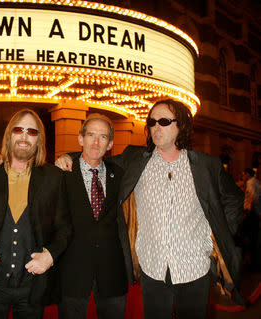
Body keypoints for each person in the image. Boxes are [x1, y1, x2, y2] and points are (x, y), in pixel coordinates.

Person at [56, 99, 244, 319]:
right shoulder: (135, 160)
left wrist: (217, 236)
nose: (156, 127)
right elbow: (95, 158)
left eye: (163, 121)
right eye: (152, 122)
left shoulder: (205, 165)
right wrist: (69, 156)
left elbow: (234, 199)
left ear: (181, 125)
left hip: (195, 269)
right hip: (152, 270)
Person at [0, 109, 72, 319]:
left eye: (32, 132)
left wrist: (50, 256)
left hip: (33, 287)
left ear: (39, 140)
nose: (24, 137)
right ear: (10, 135)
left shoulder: (53, 177)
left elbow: (64, 227)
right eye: (19, 129)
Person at [57, 114, 132, 319]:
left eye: (103, 137)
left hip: (112, 271)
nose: (96, 142)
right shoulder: (61, 173)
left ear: (111, 144)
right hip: (72, 270)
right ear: (80, 138)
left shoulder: (121, 174)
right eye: (91, 135)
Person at [241, 168, 260, 270]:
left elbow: (252, 198)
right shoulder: (255, 182)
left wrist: (247, 212)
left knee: (248, 236)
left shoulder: (251, 183)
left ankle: (250, 262)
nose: (242, 177)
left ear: (247, 174)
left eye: (243, 174)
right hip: (254, 213)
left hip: (252, 214)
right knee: (252, 237)